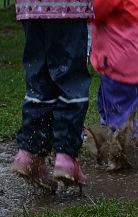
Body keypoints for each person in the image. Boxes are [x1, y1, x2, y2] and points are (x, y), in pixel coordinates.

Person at [11, 0, 94, 191]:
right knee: (71, 81)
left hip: (30, 8)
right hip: (68, 7)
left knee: (38, 81)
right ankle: (66, 155)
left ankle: (30, 152)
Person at [89, 0, 138, 155]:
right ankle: (114, 147)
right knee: (112, 112)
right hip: (129, 68)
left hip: (118, 68)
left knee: (118, 117)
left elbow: (94, 11)